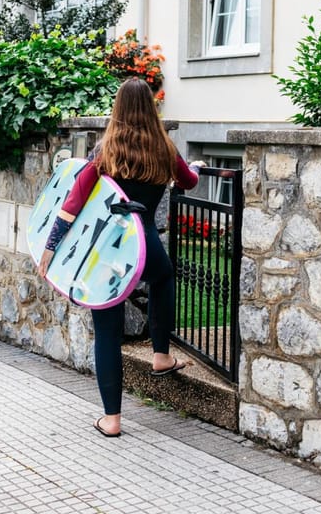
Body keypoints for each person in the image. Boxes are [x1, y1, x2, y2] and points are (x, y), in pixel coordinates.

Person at [38, 77, 204, 437]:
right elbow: (188, 181)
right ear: (150, 107)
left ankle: (111, 419)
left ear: (118, 109)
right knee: (163, 277)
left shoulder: (106, 150)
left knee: (107, 331)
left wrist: (50, 248)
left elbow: (73, 204)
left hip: (107, 251)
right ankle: (161, 354)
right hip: (145, 245)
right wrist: (198, 167)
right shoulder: (165, 148)